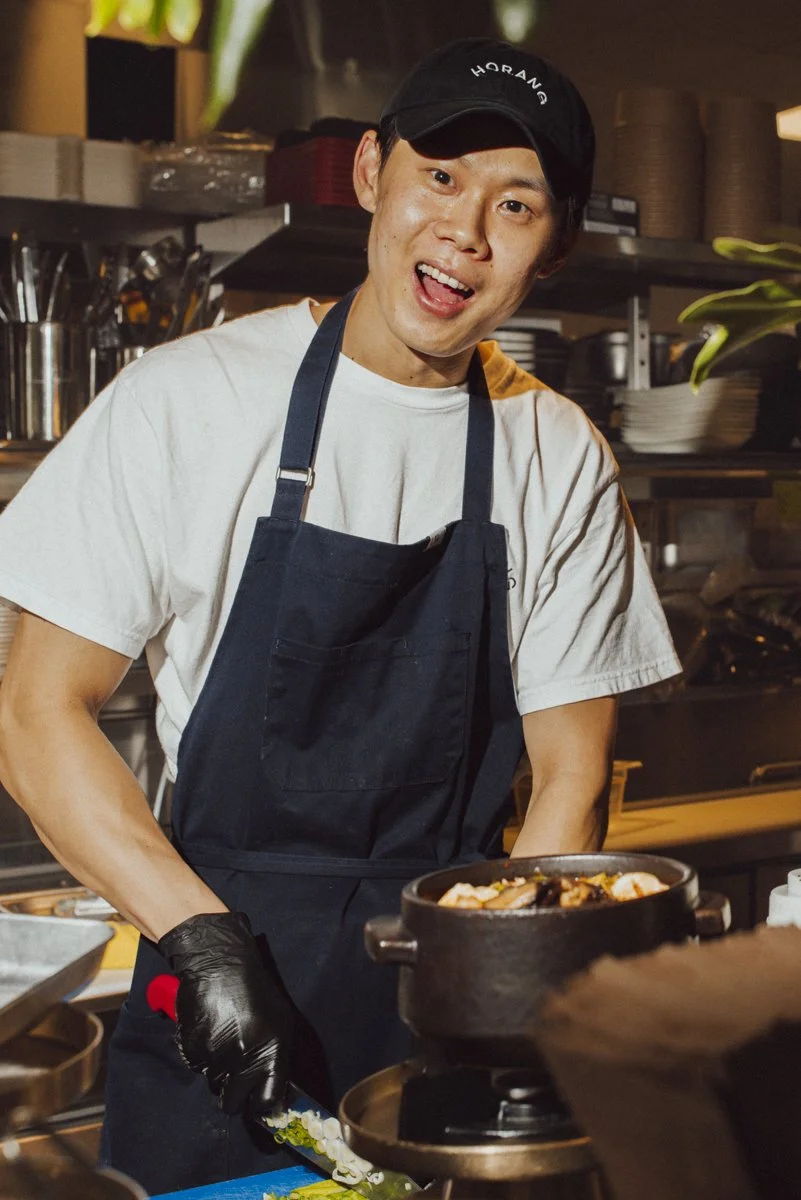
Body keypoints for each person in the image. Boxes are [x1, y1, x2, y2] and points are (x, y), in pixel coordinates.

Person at [0, 36, 679, 1195]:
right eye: (442, 177)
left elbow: (571, 772)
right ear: (372, 173)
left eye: (515, 205)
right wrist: (198, 942)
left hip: (446, 1019)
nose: (465, 230)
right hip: (218, 996)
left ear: (554, 246)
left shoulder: (554, 451)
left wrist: (501, 995)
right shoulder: (189, 402)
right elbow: (33, 711)